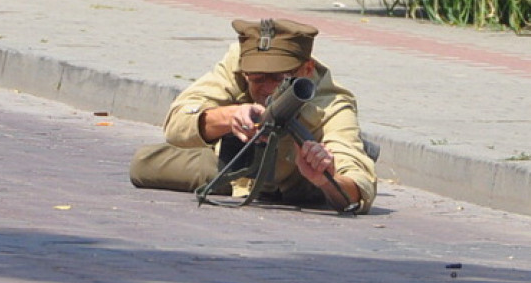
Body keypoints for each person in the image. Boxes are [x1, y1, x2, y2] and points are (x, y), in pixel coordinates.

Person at [130, 18, 377, 212]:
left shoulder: (332, 103)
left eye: (280, 79)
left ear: (307, 69)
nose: (267, 89)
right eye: (257, 79)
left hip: (295, 178)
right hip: (236, 165)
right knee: (144, 164)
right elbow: (177, 122)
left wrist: (325, 177)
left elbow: (358, 189)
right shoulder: (237, 66)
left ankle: (355, 146)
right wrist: (230, 116)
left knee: (321, 186)